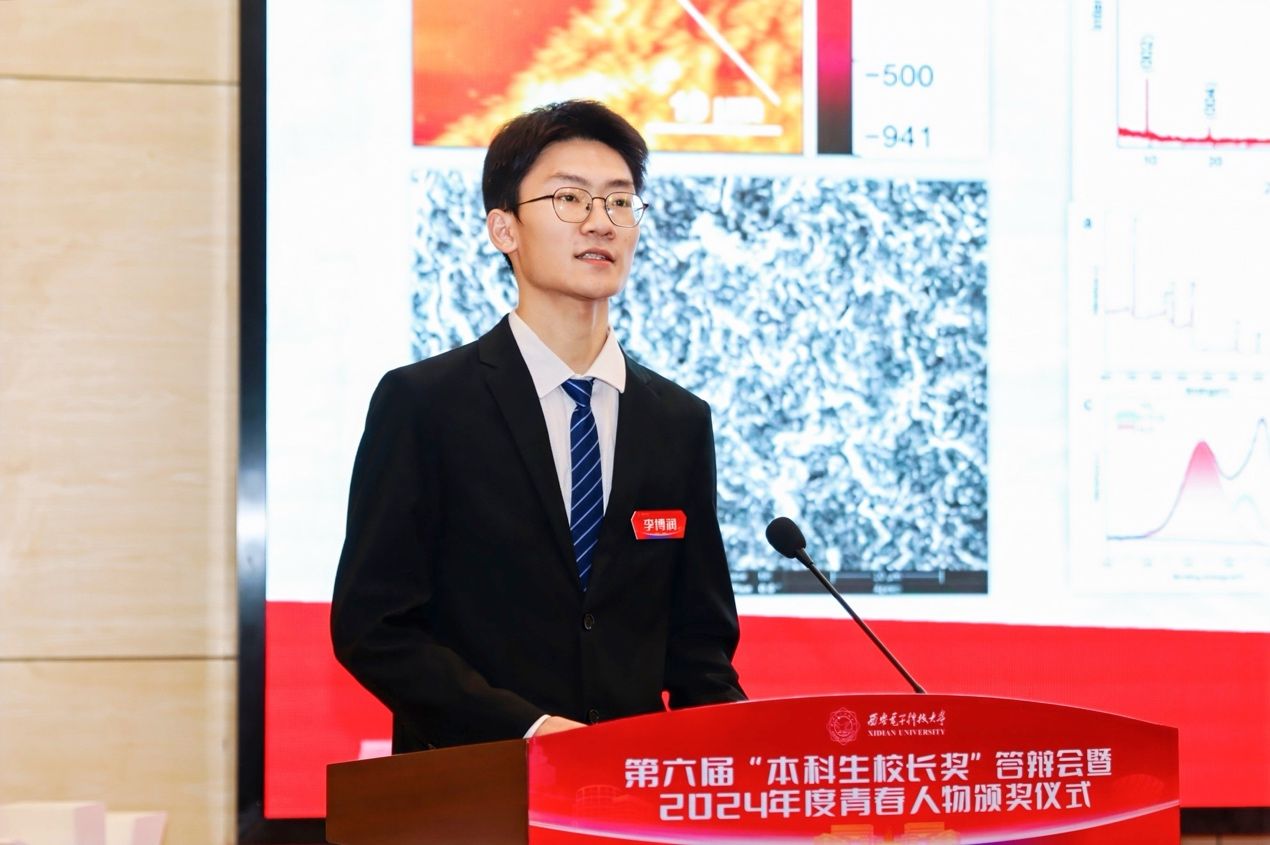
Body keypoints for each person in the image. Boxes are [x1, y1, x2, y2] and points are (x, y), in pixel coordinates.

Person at [330, 99, 745, 752]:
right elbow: (375, 628)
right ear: (504, 229)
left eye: (619, 201)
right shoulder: (425, 404)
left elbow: (699, 645)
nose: (600, 222)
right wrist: (528, 732)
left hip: (628, 790)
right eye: (570, 199)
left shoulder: (677, 420)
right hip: (476, 782)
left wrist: (741, 749)